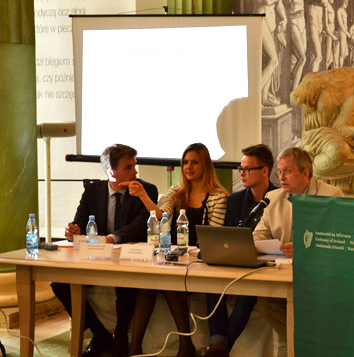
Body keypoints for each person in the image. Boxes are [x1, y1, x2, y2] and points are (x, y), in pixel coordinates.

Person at [51, 144, 159, 357]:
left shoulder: (146, 189)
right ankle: (100, 335)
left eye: (134, 166)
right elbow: (81, 222)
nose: (135, 172)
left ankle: (120, 337)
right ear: (111, 172)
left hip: (129, 257)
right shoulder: (93, 191)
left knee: (126, 284)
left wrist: (110, 239)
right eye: (129, 167)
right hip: (98, 257)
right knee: (59, 282)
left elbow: (139, 226)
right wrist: (74, 230)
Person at [123, 143, 228, 357]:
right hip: (173, 258)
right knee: (147, 283)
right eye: (186, 162)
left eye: (195, 162)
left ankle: (185, 345)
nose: (188, 167)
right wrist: (143, 195)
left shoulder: (219, 196)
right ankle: (134, 349)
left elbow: (214, 235)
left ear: (205, 165)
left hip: (200, 261)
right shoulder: (176, 192)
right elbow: (161, 215)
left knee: (171, 280)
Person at [253, 147, 343, 356]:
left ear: (305, 172)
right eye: (280, 172)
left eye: (288, 172)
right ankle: (311, 345)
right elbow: (258, 237)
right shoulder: (273, 198)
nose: (281, 178)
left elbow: (338, 240)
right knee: (266, 303)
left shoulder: (331, 196)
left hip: (320, 275)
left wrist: (306, 249)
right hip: (283, 273)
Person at [206, 144, 278, 357]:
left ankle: (220, 348)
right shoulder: (235, 199)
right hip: (235, 260)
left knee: (248, 291)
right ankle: (218, 344)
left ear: (264, 171)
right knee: (210, 281)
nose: (242, 173)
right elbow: (228, 236)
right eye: (241, 168)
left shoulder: (279, 198)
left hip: (264, 265)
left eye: (248, 169)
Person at [306, 0, 328, 72]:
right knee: (318, 57)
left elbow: (325, 3)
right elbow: (323, 2)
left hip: (318, 28)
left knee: (314, 57)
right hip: (312, 27)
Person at [288, 0, 307, 91]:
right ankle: (293, 90)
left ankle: (294, 88)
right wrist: (295, 15)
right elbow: (286, 10)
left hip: (302, 24)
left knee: (296, 58)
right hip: (294, 23)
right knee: (302, 58)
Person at [323, 0, 339, 70]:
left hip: (331, 33)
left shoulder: (330, 6)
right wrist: (332, 36)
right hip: (329, 34)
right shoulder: (326, 7)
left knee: (332, 56)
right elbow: (326, 25)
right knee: (327, 56)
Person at [336, 0, 351, 68]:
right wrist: (347, 33)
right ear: (341, 2)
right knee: (342, 53)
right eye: (345, 2)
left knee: (345, 53)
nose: (347, 4)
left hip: (344, 32)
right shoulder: (339, 11)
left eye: (347, 3)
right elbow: (340, 24)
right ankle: (340, 69)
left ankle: (340, 68)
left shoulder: (344, 11)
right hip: (342, 32)